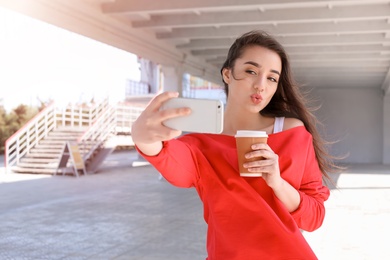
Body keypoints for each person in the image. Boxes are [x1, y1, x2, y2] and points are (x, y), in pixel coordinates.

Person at [131, 30, 335, 260]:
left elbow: (315, 217)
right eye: (251, 71)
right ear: (227, 74)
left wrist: (277, 183)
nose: (261, 85)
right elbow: (168, 159)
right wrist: (143, 138)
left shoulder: (293, 133)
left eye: (271, 78)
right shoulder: (199, 145)